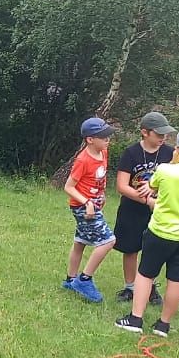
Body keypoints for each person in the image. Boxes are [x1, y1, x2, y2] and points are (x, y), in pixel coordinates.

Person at [115, 127, 179, 338]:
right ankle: (163, 325)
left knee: (145, 274)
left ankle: (135, 319)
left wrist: (172, 161)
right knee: (177, 279)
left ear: (177, 149)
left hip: (159, 232)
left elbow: (152, 187)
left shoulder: (164, 170)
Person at [112, 111, 177, 305]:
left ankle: (150, 287)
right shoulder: (131, 153)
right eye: (159, 134)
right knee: (130, 249)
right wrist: (147, 200)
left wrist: (156, 195)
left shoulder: (170, 153)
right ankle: (130, 287)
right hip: (132, 209)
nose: (163, 137)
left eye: (165, 134)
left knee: (153, 249)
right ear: (145, 132)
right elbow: (122, 186)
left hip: (159, 210)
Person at [61, 117, 118, 303]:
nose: (107, 139)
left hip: (94, 203)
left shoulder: (104, 152)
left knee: (81, 241)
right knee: (108, 241)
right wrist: (87, 203)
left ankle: (70, 280)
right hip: (83, 207)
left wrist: (102, 195)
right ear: (90, 139)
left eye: (108, 136)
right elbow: (69, 187)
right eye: (103, 137)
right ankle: (84, 280)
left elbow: (99, 178)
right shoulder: (83, 160)